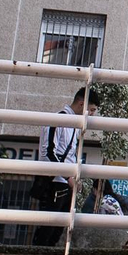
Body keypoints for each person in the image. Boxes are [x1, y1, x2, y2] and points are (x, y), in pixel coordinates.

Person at [30, 87, 96, 246]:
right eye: (92, 110)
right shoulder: (58, 120)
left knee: (56, 232)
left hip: (65, 183)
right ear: (81, 104)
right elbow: (47, 153)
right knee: (47, 231)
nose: (93, 114)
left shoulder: (73, 124)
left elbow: (68, 155)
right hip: (54, 183)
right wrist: (68, 177)